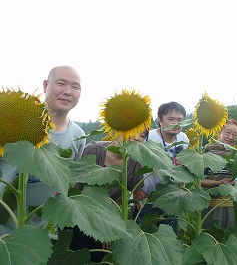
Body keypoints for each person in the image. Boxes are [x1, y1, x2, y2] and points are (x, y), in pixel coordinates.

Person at [1, 66, 85, 235]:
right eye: (61, 83)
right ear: (46, 85)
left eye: (75, 87)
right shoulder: (12, 119)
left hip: (37, 233)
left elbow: (64, 180)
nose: (68, 92)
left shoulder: (78, 136)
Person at [71, 129, 148, 262]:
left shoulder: (135, 160)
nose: (136, 138)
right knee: (78, 255)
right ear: (119, 129)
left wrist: (109, 226)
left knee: (100, 257)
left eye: (142, 135)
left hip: (108, 216)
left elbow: (127, 194)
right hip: (79, 212)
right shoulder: (93, 150)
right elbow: (81, 189)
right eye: (133, 131)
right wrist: (103, 227)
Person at [133, 102, 189, 234]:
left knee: (169, 238)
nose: (176, 123)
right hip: (145, 198)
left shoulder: (183, 138)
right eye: (171, 119)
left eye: (179, 120)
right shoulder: (148, 137)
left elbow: (184, 164)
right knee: (142, 235)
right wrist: (135, 190)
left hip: (171, 198)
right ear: (160, 120)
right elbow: (133, 162)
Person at [202, 119, 237, 229]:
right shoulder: (207, 150)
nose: (231, 137)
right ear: (219, 132)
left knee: (227, 235)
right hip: (208, 203)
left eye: (235, 134)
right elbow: (198, 181)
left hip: (229, 204)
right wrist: (218, 183)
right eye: (228, 132)